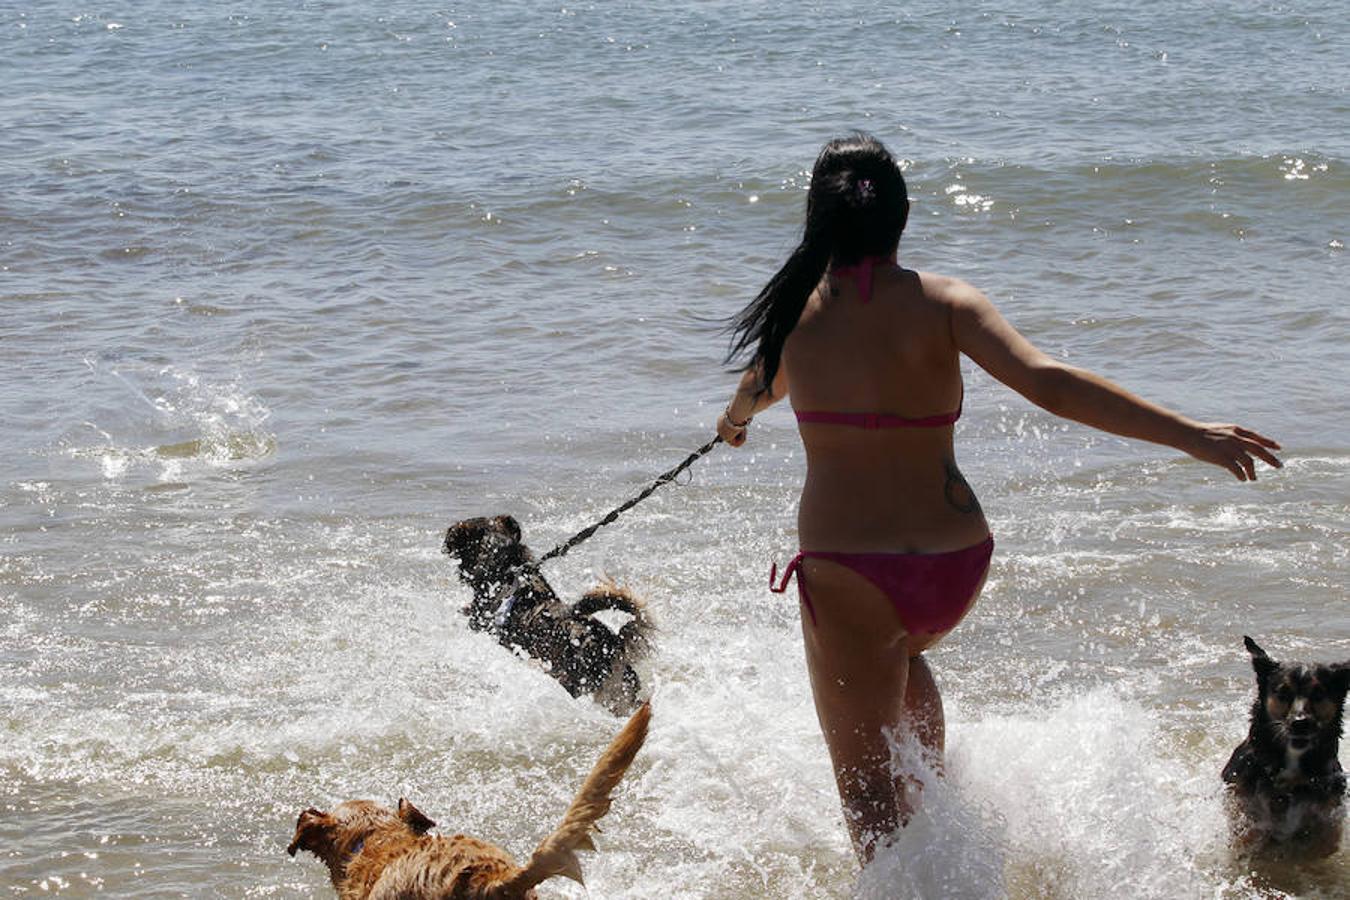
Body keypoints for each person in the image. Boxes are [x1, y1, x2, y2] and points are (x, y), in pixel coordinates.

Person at [715, 133, 1283, 864]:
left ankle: (912, 876)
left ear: (816, 220)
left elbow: (752, 395)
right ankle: (939, 830)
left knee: (863, 797)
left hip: (851, 572)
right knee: (905, 657)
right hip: (953, 566)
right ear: (903, 215)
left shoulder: (795, 316)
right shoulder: (948, 302)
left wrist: (731, 427)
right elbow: (1048, 382)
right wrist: (1190, 436)